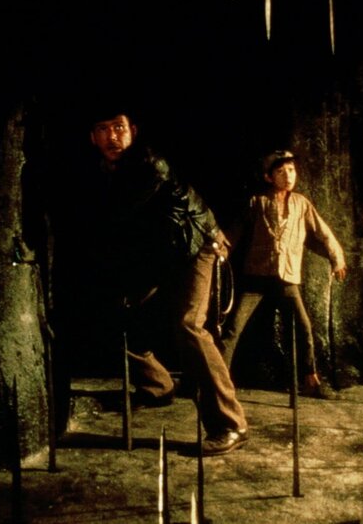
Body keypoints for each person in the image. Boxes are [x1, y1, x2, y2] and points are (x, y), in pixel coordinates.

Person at [85, 104, 248, 456]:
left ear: (133, 132)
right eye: (103, 129)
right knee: (116, 313)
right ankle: (157, 386)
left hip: (194, 246)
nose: (112, 136)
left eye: (119, 127)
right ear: (92, 137)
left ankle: (230, 424)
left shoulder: (147, 164)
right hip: (162, 255)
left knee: (189, 326)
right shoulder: (105, 170)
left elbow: (119, 219)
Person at [220, 149, 347, 399]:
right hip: (257, 277)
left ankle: (310, 380)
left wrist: (337, 258)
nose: (288, 176)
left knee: (304, 327)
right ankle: (218, 380)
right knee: (234, 328)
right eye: (281, 171)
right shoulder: (257, 202)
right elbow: (235, 231)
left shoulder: (301, 203)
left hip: (286, 277)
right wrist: (221, 250)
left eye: (291, 170)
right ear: (269, 177)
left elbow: (323, 233)